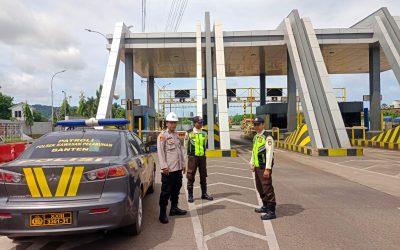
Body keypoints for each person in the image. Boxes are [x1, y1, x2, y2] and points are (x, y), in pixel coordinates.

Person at [157, 112, 187, 224]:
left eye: (175, 123)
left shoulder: (176, 135)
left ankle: (174, 208)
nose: (173, 125)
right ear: (167, 123)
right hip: (168, 170)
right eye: (171, 122)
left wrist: (183, 164)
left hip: (177, 169)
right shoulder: (162, 136)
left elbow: (180, 151)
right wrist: (164, 166)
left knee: (176, 190)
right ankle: (162, 214)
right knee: (165, 192)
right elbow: (160, 152)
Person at [250, 116, 276, 220]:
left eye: (258, 124)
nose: (256, 126)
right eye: (255, 124)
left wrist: (268, 169)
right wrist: (252, 162)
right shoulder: (256, 137)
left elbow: (269, 154)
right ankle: (265, 206)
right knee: (260, 187)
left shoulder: (268, 137)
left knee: (267, 188)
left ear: (263, 125)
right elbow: (254, 151)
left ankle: (271, 211)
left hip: (264, 167)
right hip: (257, 166)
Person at [185, 116, 213, 203]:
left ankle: (204, 194)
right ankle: (190, 195)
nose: (200, 124)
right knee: (190, 176)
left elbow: (205, 143)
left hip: (202, 157)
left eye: (201, 122)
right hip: (192, 157)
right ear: (194, 123)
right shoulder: (189, 133)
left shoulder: (205, 133)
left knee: (203, 175)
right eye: (199, 122)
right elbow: (185, 145)